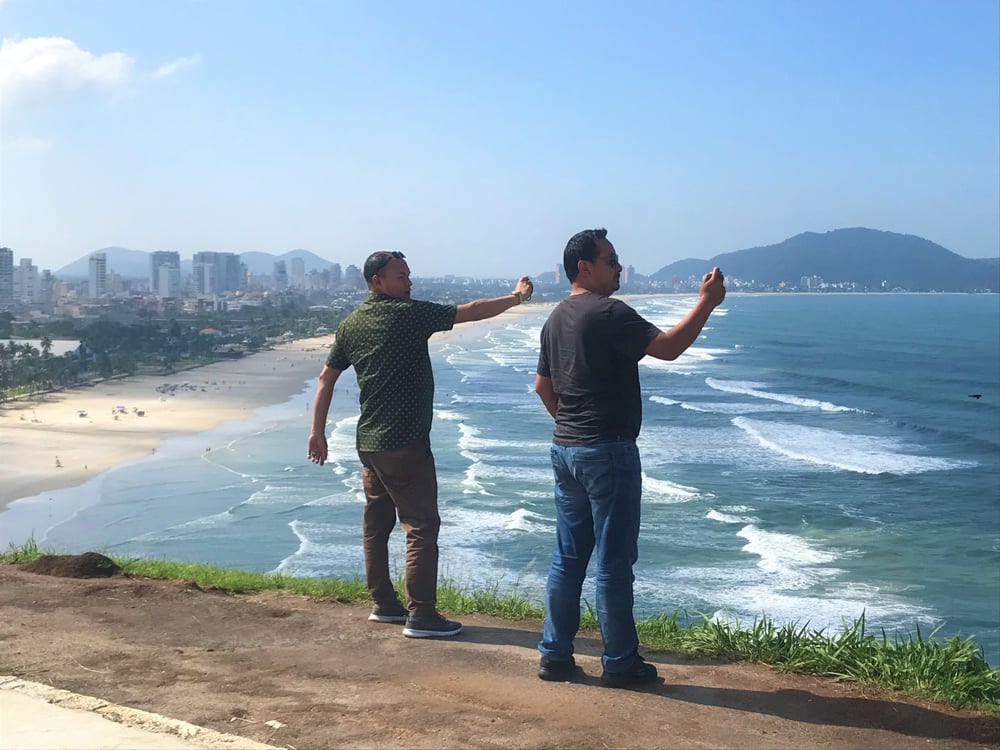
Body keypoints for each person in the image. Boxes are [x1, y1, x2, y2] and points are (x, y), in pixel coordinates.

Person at [307, 250, 534, 638]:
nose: (409, 283)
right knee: (422, 526)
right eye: (401, 277)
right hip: (405, 442)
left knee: (377, 525)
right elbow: (472, 310)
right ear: (376, 282)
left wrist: (318, 432)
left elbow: (326, 379)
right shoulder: (408, 315)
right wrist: (516, 297)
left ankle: (384, 604)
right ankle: (423, 614)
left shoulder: (351, 324)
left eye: (409, 275)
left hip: (370, 443)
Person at [534, 228, 726, 686]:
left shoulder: (555, 318)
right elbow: (669, 348)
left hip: (567, 449)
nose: (619, 267)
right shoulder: (608, 312)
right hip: (606, 451)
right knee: (613, 563)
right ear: (585, 267)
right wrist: (707, 302)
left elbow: (544, 387)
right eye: (611, 259)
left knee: (567, 558)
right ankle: (620, 662)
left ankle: (555, 656)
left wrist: (574, 428)